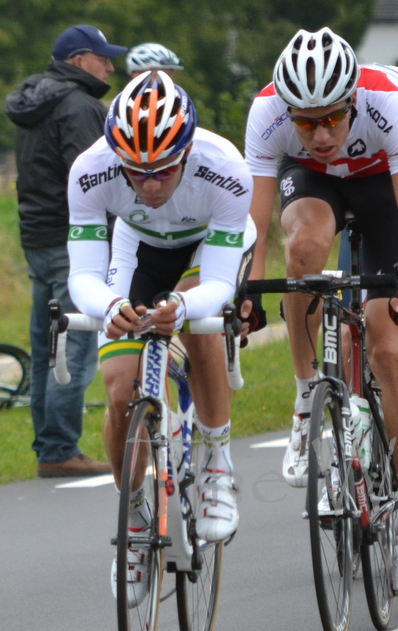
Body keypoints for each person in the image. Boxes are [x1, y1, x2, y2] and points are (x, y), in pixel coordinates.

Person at [243, 27, 398, 595]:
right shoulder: (266, 113)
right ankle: (307, 400)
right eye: (306, 122)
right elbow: (254, 226)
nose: (321, 133)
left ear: (353, 101)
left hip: (382, 192)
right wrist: (248, 295)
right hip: (314, 188)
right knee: (302, 251)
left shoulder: (385, 103)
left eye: (332, 118)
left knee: (385, 345)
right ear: (287, 111)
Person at [67, 71, 255, 604]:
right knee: (120, 385)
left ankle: (217, 461)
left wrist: (180, 306)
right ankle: (133, 516)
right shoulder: (90, 170)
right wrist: (109, 306)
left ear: (188, 149)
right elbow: (82, 274)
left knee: (196, 324)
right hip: (140, 245)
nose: (149, 184)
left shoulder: (225, 169)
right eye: (136, 172)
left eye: (163, 170)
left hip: (209, 248)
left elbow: (219, 284)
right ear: (115, 157)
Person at [4, 25, 127, 478]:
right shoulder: (79, 107)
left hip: (36, 237)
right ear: (79, 61)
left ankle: (49, 445)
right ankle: (59, 449)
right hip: (74, 242)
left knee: (45, 346)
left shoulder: (34, 103)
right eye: (103, 58)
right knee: (74, 345)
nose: (110, 67)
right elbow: (96, 179)